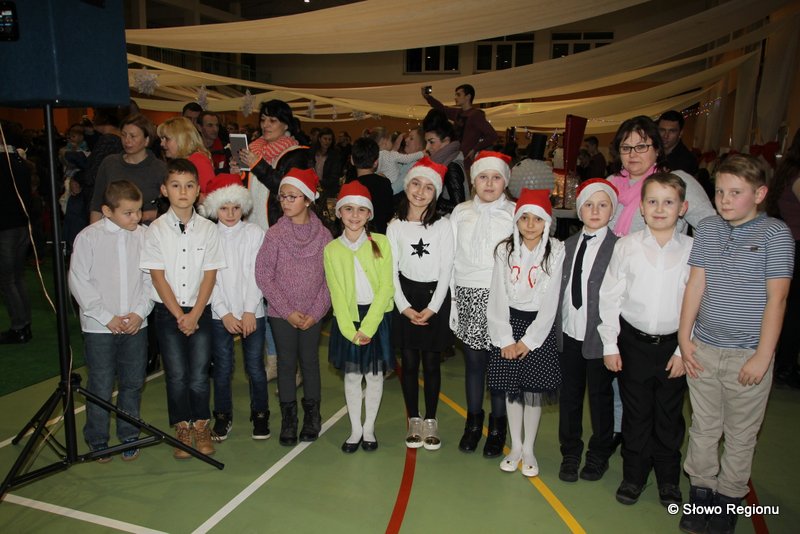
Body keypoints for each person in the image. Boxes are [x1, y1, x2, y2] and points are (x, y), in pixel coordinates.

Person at [678, 154, 794, 534]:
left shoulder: (775, 235)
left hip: (748, 354)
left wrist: (763, 356)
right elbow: (696, 284)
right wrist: (685, 338)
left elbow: (777, 299)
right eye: (719, 192)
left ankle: (728, 498)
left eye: (735, 192)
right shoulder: (709, 229)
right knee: (704, 428)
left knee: (741, 434)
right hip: (704, 349)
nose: (725, 200)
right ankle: (701, 491)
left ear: (759, 194)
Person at [598, 173, 691, 507]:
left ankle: (668, 478)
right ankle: (634, 475)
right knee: (636, 414)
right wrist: (610, 344)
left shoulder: (692, 250)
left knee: (669, 415)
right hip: (633, 344)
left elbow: (699, 304)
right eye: (652, 201)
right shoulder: (627, 247)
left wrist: (683, 351)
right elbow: (610, 297)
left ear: (683, 208)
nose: (660, 209)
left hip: (674, 347)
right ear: (641, 207)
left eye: (668, 202)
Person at [140, 159, 225, 459]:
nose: (183, 192)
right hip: (169, 313)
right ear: (165, 190)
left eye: (189, 186)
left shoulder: (209, 229)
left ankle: (201, 425)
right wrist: (179, 315)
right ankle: (183, 428)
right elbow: (157, 276)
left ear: (198, 190)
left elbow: (210, 275)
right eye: (176, 186)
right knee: (176, 374)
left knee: (199, 373)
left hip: (200, 310)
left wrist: (195, 314)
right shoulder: (155, 230)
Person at [68, 180, 153, 461]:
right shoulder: (89, 237)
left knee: (133, 381)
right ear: (107, 211)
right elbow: (78, 281)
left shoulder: (144, 236)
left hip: (136, 325)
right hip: (99, 327)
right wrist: (106, 317)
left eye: (138, 210)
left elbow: (151, 279)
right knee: (101, 383)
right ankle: (97, 439)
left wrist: (139, 312)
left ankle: (129, 434)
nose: (136, 217)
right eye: (128, 212)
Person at [487, 188, 565, 477]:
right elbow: (497, 294)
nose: (531, 224)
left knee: (533, 392)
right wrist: (505, 338)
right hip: (509, 324)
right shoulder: (504, 250)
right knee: (512, 391)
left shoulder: (556, 251)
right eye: (524, 218)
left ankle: (529, 447)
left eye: (538, 219)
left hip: (537, 330)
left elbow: (551, 300)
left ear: (547, 222)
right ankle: (515, 446)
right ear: (516, 220)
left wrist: (530, 341)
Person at [256, 168, 332, 445]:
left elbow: (331, 279)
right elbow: (264, 275)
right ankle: (289, 419)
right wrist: (287, 311)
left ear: (308, 199)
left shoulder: (324, 236)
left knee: (310, 363)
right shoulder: (274, 235)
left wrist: (315, 312)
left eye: (293, 197)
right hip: (282, 314)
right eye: (283, 196)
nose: (286, 202)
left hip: (313, 313)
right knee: (286, 364)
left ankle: (312, 416)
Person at [450, 151, 515, 457]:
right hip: (467, 293)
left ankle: (498, 427)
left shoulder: (515, 213)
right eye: (483, 177)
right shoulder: (461, 212)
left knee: (499, 366)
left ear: (505, 181)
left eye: (496, 177)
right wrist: (452, 299)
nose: (489, 183)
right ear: (473, 181)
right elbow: (451, 256)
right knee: (474, 364)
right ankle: (473, 423)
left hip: (501, 297)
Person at [555, 179, 619, 483]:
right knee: (569, 397)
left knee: (600, 398)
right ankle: (570, 450)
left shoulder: (619, 248)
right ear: (579, 210)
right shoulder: (566, 246)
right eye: (589, 205)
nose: (595, 211)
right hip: (569, 334)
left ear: (612, 211)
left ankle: (599, 453)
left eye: (602, 205)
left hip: (600, 338)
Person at [386, 157, 453, 450]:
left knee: (432, 363)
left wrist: (433, 308)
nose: (420, 191)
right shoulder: (395, 226)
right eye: (416, 183)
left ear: (435, 193)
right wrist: (403, 307)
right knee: (410, 363)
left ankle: (431, 419)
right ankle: (413, 418)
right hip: (406, 297)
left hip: (434, 298)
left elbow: (447, 269)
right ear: (406, 185)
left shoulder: (443, 226)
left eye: (428, 187)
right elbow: (391, 272)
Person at [324, 181, 394, 453]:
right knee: (353, 377)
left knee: (374, 376)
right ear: (339, 212)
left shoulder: (382, 243)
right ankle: (355, 429)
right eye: (349, 209)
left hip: (375, 319)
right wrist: (350, 330)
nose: (355, 215)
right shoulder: (331, 250)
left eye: (361, 210)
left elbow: (386, 288)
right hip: (349, 322)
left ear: (369, 214)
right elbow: (337, 293)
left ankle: (369, 428)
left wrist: (369, 326)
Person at [202, 175, 269, 442]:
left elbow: (258, 274)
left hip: (254, 313)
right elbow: (209, 280)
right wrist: (225, 313)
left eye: (236, 207)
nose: (230, 214)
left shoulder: (255, 233)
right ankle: (222, 415)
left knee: (255, 367)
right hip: (221, 315)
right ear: (214, 208)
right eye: (223, 208)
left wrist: (250, 310)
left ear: (244, 207)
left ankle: (260, 414)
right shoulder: (208, 236)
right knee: (222, 368)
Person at [608, 115, 714, 237]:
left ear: (657, 149)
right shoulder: (610, 183)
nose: (632, 154)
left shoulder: (676, 181)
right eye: (626, 148)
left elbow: (711, 229)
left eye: (641, 146)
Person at [765, 128, 800, 387]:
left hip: (791, 244)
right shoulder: (797, 175)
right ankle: (785, 367)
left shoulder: (787, 170)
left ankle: (784, 364)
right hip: (796, 245)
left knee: (790, 310)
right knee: (793, 311)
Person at [90, 114, 167, 224]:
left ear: (146, 140)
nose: (127, 140)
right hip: (112, 229)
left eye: (133, 136)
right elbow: (97, 203)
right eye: (123, 135)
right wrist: (94, 230)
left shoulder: (160, 168)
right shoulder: (110, 163)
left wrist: (151, 214)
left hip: (146, 230)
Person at [0, 126, 33, 344]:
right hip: (22, 226)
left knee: (7, 280)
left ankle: (19, 326)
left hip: (5, 228)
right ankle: (24, 323)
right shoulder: (21, 163)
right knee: (18, 277)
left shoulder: (4, 163)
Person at [422, 83, 497, 167]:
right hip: (454, 156)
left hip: (466, 161)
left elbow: (492, 135)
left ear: (468, 96)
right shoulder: (458, 113)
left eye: (458, 95)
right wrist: (428, 97)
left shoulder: (475, 115)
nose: (456, 97)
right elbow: (442, 108)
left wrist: (475, 149)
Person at [423, 110, 468, 216]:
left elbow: (458, 206)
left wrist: (430, 197)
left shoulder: (451, 166)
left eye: (431, 142)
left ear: (446, 141)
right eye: (426, 142)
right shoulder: (449, 161)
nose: (427, 147)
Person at [346, 137, 394, 233]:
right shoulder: (385, 183)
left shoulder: (350, 187)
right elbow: (389, 213)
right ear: (376, 162)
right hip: (380, 235)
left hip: (357, 235)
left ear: (352, 160)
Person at [158, 117, 215, 196]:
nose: (162, 144)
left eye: (166, 139)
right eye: (161, 139)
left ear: (181, 138)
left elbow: (211, 195)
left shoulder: (198, 160)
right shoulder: (183, 161)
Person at [658, 110, 699, 176]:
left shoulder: (687, 160)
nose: (665, 136)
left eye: (672, 131)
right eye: (662, 130)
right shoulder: (653, 152)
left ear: (680, 133)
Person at [312, 127, 344, 202]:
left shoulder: (335, 155)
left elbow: (335, 176)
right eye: (325, 139)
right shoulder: (312, 153)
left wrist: (319, 183)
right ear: (319, 139)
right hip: (313, 188)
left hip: (329, 191)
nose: (327, 142)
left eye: (330, 139)